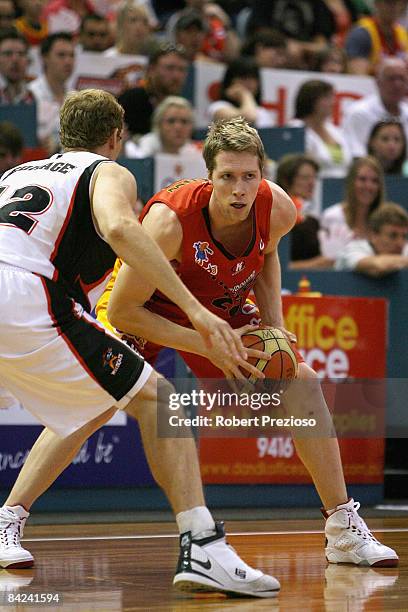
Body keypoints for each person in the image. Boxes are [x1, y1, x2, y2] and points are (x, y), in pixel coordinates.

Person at [0, 89, 282, 599]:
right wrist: (195, 309)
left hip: (18, 295)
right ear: (116, 136)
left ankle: (8, 520)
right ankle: (202, 544)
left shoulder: (17, 175)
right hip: (25, 297)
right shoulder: (107, 171)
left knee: (83, 406)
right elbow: (119, 227)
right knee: (162, 402)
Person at [95, 117, 397, 569]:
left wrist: (274, 323)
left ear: (263, 174)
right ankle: (12, 516)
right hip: (145, 307)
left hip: (216, 306)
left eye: (250, 177)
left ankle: (342, 529)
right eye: (228, 177)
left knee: (302, 382)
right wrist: (207, 342)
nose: (239, 189)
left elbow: (268, 253)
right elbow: (123, 310)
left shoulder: (277, 208)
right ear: (209, 176)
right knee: (89, 405)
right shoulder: (168, 221)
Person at [118, 42, 189, 138]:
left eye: (181, 69)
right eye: (170, 68)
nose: (176, 76)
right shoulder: (130, 101)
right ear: (151, 70)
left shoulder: (183, 107)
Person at [276, 153, 334, 269]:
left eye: (314, 177)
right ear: (286, 180)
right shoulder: (275, 216)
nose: (312, 183)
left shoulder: (312, 221)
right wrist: (316, 264)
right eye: (305, 178)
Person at [320, 156, 385, 257]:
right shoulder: (332, 216)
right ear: (351, 182)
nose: (368, 186)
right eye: (362, 179)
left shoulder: (385, 220)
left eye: (375, 181)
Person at [343, 57, 408, 158]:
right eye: (391, 79)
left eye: (402, 79)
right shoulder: (359, 113)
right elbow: (355, 153)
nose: (397, 84)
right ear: (378, 82)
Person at [290, 79, 351, 177]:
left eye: (332, 97)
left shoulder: (335, 131)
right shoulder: (295, 129)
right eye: (327, 97)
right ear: (311, 100)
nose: (333, 102)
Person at [28, 32, 76, 154]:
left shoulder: (77, 98)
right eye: (61, 55)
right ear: (45, 58)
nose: (68, 61)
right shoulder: (30, 95)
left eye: (72, 56)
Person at [335, 202, 408, 275]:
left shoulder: (405, 250)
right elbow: (378, 266)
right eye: (392, 236)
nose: (400, 243)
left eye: (404, 236)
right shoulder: (353, 250)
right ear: (374, 235)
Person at [124, 95, 202, 159]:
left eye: (184, 121)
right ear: (158, 124)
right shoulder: (145, 147)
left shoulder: (196, 153)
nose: (178, 127)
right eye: (171, 121)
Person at [207, 57, 273, 128]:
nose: (249, 83)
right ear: (230, 81)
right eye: (243, 78)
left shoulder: (263, 113)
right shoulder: (218, 106)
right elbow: (248, 118)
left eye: (253, 78)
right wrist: (245, 94)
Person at [345, 0, 408, 75]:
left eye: (400, 3)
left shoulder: (403, 34)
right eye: (389, 3)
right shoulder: (362, 33)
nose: (395, 7)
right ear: (377, 3)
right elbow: (358, 76)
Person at [0, 28, 35, 105]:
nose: (15, 59)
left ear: (28, 60)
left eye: (21, 54)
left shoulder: (36, 94)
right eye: (8, 54)